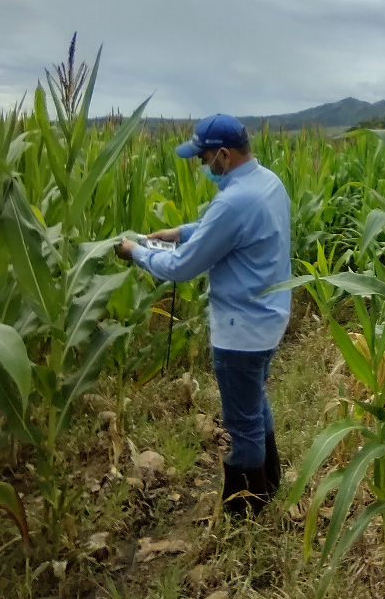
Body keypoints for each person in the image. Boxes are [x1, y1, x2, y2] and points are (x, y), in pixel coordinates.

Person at [115, 113, 291, 516]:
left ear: (224, 156)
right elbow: (231, 228)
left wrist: (136, 252)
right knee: (254, 401)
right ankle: (271, 482)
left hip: (241, 330)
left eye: (203, 157)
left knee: (242, 421)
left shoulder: (233, 200)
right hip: (269, 319)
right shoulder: (267, 182)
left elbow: (180, 268)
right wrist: (181, 232)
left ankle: (247, 514)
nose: (201, 165)